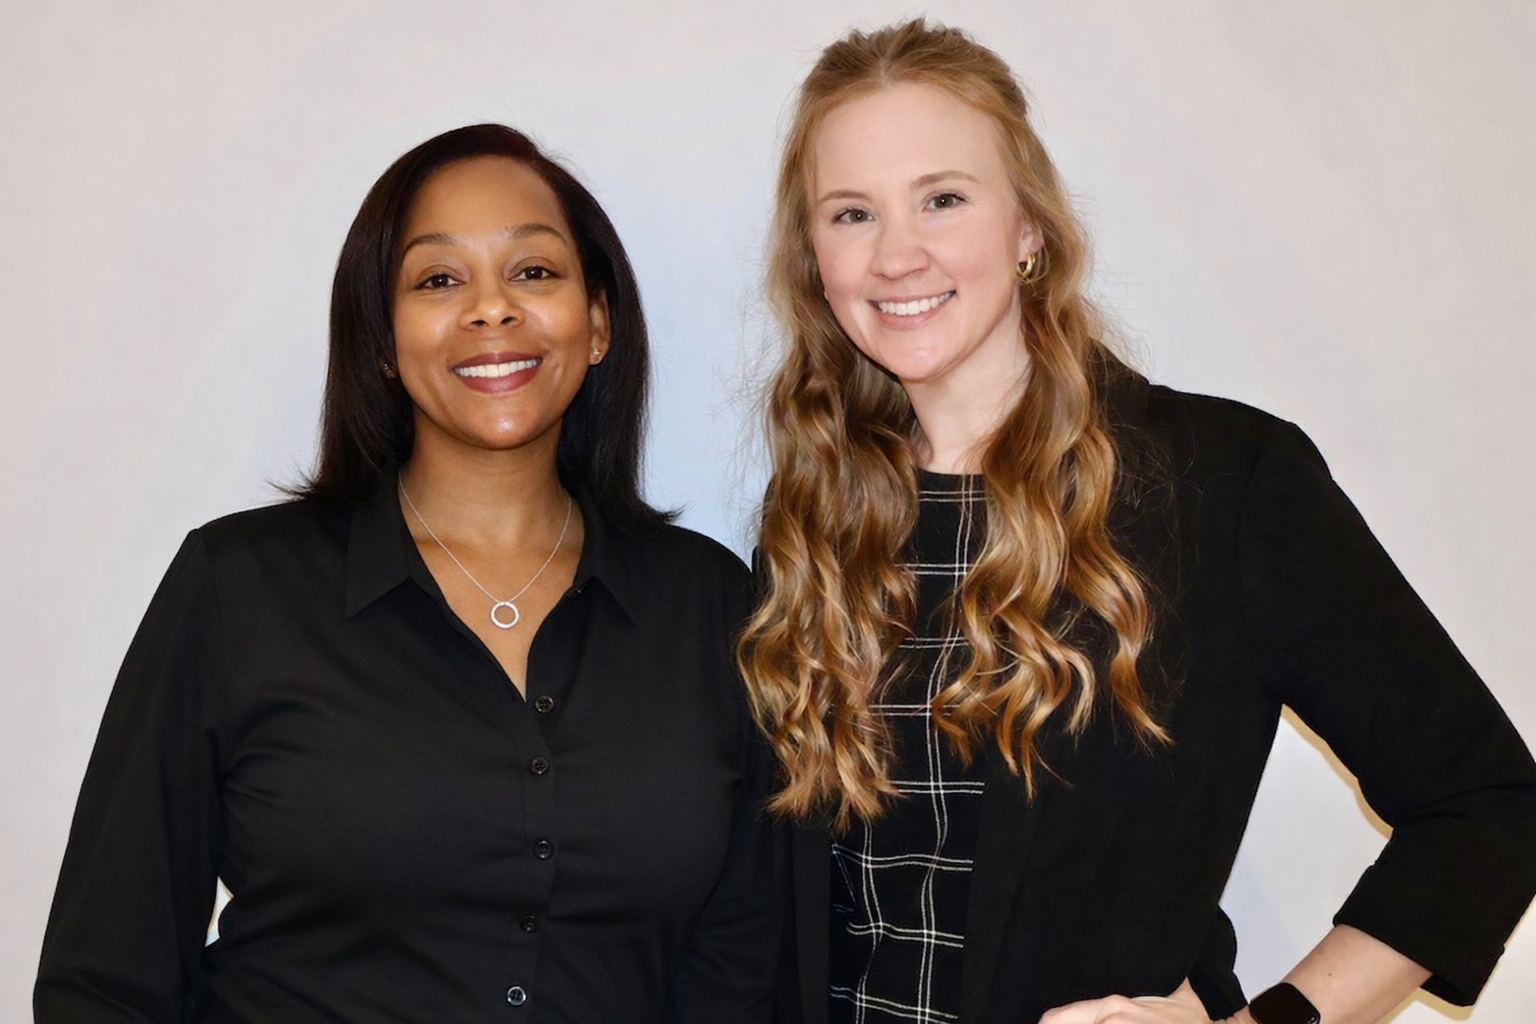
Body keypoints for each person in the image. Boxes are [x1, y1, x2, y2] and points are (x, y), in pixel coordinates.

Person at [737, 19, 1536, 1024]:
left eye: (942, 198)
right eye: (852, 213)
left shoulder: (1222, 485)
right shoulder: (812, 519)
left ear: (1029, 228)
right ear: (815, 258)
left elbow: (1484, 803)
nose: (898, 254)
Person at [36, 124, 777, 1023]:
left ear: (597, 324)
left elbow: (742, 973)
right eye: (438, 280)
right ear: (383, 342)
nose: (491, 309)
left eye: (533, 271)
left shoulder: (711, 605)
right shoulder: (239, 588)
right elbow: (107, 977)